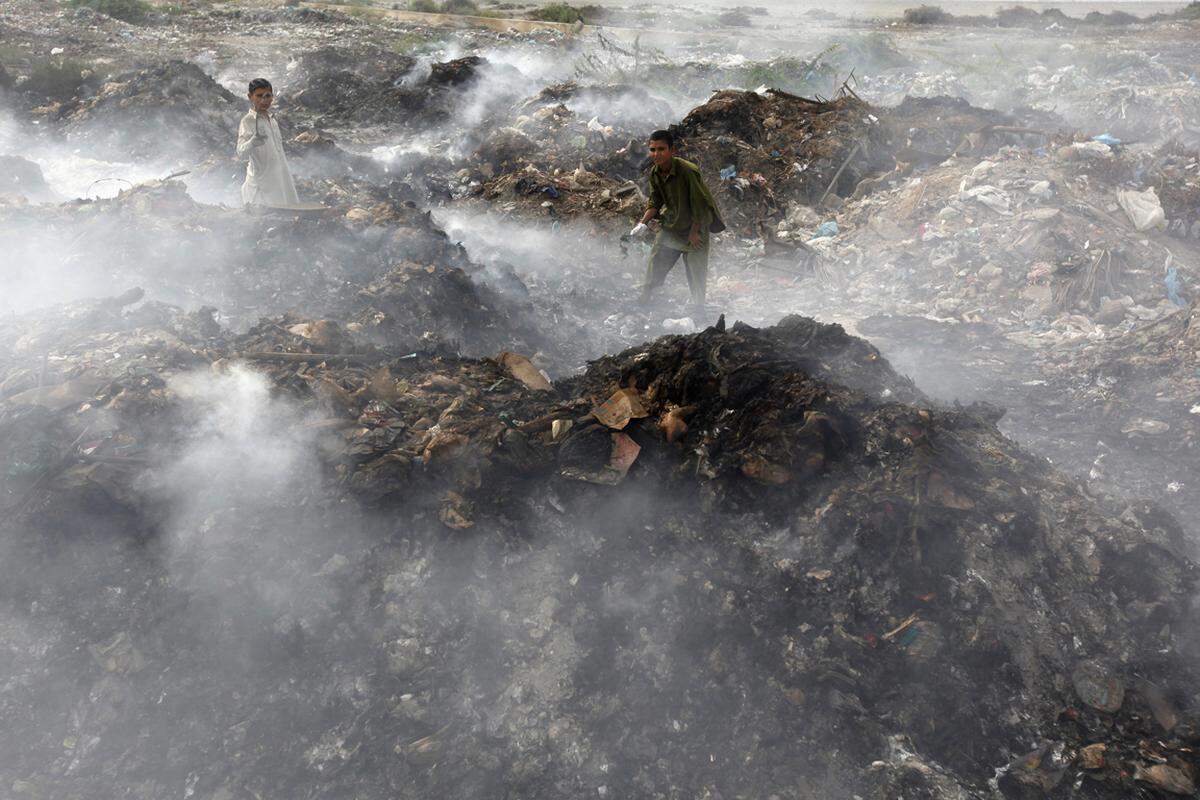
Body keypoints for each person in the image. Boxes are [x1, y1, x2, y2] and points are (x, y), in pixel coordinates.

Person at [630, 129, 724, 309]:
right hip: (673, 225)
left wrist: (694, 233)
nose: (656, 154)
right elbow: (655, 201)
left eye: (661, 149)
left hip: (696, 227)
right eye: (652, 150)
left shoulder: (688, 171)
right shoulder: (655, 172)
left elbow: (700, 204)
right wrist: (643, 223)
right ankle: (646, 300)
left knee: (696, 273)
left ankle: (699, 311)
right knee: (656, 260)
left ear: (672, 150)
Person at [236, 78, 298, 208]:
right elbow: (240, 152)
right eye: (259, 96)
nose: (264, 100)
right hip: (262, 185)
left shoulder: (273, 120)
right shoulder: (248, 121)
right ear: (250, 97)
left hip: (282, 181)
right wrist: (252, 142)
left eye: (267, 95)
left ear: (272, 97)